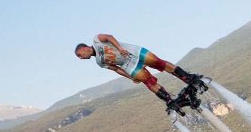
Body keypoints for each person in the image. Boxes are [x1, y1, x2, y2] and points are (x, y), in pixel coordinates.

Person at [74, 34, 208, 113]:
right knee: (147, 81)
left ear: (84, 48)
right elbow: (115, 68)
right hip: (128, 65)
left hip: (133, 52)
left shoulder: (97, 40)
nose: (81, 58)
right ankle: (168, 99)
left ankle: (188, 78)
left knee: (158, 62)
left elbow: (109, 37)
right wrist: (130, 76)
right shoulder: (99, 62)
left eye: (80, 55)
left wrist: (120, 48)